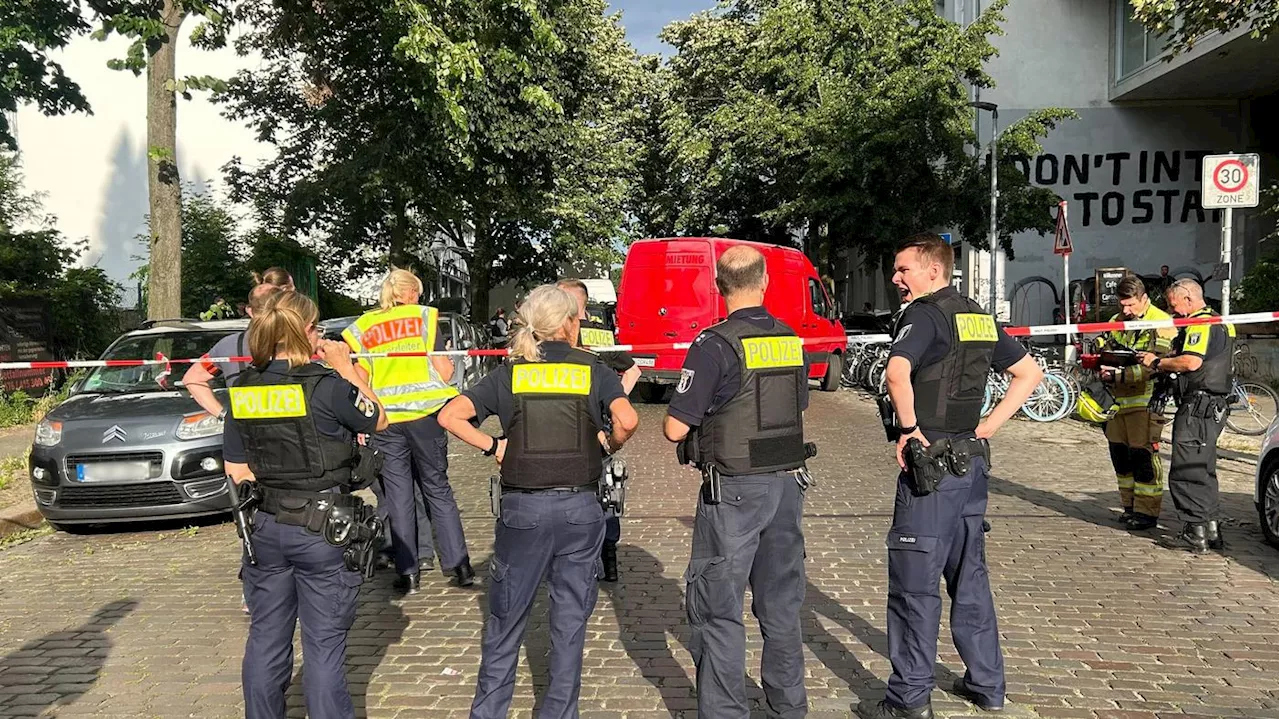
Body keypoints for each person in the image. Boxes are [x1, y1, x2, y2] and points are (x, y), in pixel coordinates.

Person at [859, 233, 1043, 719]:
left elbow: (898, 373)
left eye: (904, 270)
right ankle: (987, 684)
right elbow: (1029, 373)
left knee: (914, 583)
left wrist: (909, 429)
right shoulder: (978, 315)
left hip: (932, 469)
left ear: (933, 271)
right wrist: (989, 427)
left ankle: (909, 698)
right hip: (971, 464)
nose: (896, 279)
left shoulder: (923, 315)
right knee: (970, 578)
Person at [437, 284, 638, 719]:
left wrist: (494, 447)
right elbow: (628, 418)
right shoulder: (593, 369)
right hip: (581, 511)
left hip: (522, 511)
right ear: (569, 323)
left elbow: (449, 416)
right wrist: (607, 445)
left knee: (505, 626)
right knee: (568, 628)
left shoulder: (510, 373)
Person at [662, 245, 812, 719]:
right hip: (787, 485)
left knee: (717, 608)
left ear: (716, 285)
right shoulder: (790, 338)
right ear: (765, 282)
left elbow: (674, 428)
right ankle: (790, 707)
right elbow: (798, 405)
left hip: (734, 492)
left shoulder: (714, 344)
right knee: (782, 607)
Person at [223, 290, 387, 719]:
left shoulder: (243, 388)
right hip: (323, 529)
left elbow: (236, 467)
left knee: (265, 638)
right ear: (304, 332)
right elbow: (377, 418)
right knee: (323, 646)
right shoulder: (329, 387)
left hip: (266, 527)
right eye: (317, 327)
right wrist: (349, 370)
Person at [343, 269, 473, 593]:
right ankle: (460, 567)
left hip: (387, 421)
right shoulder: (424, 318)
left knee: (399, 496)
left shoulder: (365, 327)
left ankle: (409, 573)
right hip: (425, 417)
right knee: (437, 489)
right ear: (412, 293)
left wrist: (374, 410)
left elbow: (359, 377)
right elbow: (443, 369)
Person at [1137, 278, 1234, 553]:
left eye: (1174, 304)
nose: (1172, 311)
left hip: (1198, 406)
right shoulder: (1222, 321)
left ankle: (1194, 532)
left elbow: (1192, 361)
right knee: (1204, 468)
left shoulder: (1200, 323)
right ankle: (1210, 528)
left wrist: (1157, 362)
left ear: (1189, 299)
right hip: (1213, 406)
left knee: (1187, 468)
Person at [557, 278, 640, 583]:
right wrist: (617, 400)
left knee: (587, 491)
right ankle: (607, 557)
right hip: (598, 426)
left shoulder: (563, 334)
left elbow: (634, 370)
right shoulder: (600, 333)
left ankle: (581, 557)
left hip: (577, 424)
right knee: (605, 491)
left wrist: (616, 400)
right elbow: (633, 370)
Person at [1097, 275, 1176, 531]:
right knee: (1120, 456)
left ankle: (1147, 512)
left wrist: (1120, 374)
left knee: (1143, 457)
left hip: (1145, 401)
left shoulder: (1162, 322)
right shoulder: (1116, 321)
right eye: (1122, 305)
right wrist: (1097, 357)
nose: (1125, 310)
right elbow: (1103, 343)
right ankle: (1129, 506)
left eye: (1131, 305)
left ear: (1144, 299)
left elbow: (1159, 364)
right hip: (1117, 402)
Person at [184, 284, 285, 419]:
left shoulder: (229, 346)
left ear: (250, 310)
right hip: (295, 433)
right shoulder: (303, 342)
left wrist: (223, 415)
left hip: (245, 432)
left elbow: (192, 379)